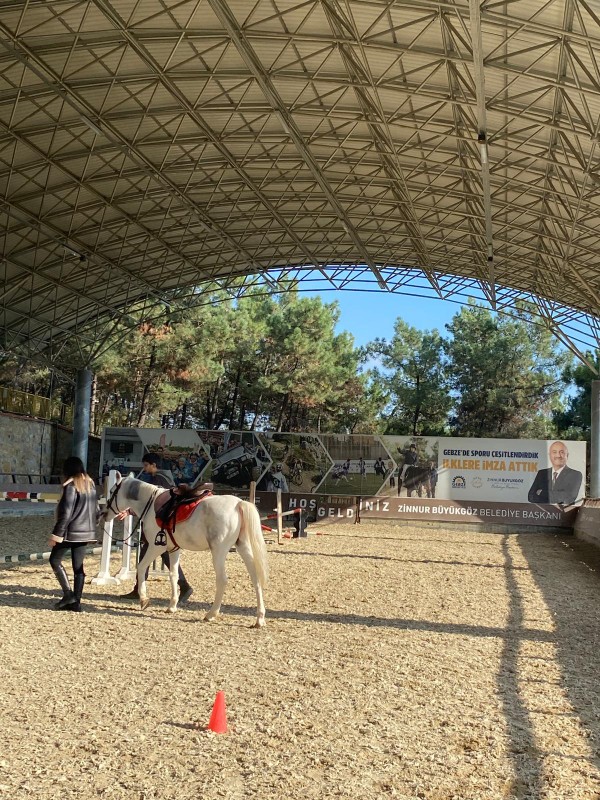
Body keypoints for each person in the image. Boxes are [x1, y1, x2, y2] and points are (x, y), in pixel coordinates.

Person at [120, 453, 193, 602]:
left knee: (148, 556)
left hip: (157, 526)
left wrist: (130, 511)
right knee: (164, 556)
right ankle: (183, 585)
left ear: (154, 465)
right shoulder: (163, 477)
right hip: (161, 525)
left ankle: (141, 589)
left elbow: (152, 504)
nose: (145, 468)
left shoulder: (158, 480)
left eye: (146, 465)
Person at [48, 456, 99, 612]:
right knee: (78, 567)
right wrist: (91, 528)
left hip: (70, 532)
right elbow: (97, 511)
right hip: (86, 533)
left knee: (54, 560)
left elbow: (66, 513)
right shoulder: (90, 485)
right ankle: (76, 602)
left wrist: (56, 535)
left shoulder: (70, 486)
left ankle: (68, 594)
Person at [528, 441, 583, 506]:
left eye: (562, 452)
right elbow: (531, 497)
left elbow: (570, 498)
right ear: (549, 455)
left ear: (567, 455)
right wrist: (559, 494)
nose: (558, 455)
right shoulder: (542, 473)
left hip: (564, 512)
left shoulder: (575, 475)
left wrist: (542, 492)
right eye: (554, 452)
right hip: (542, 511)